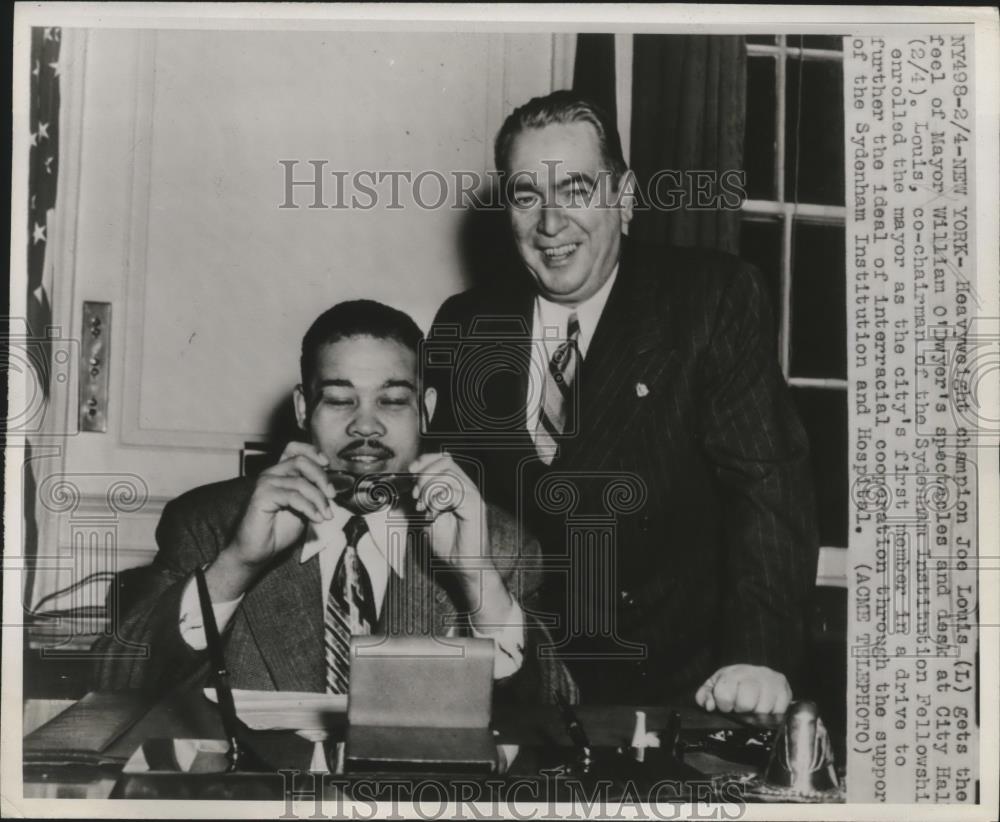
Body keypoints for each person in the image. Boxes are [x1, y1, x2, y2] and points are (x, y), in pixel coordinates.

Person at [426, 90, 819, 713]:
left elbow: (767, 490)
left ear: (626, 197)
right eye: (528, 196)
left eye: (576, 189)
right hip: (517, 681)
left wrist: (759, 656)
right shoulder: (468, 324)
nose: (550, 224)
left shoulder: (709, 301)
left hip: (678, 688)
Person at [95, 300, 574, 704]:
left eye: (391, 400)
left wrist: (476, 579)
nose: (366, 426)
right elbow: (111, 688)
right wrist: (235, 567)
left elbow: (557, 723)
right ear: (304, 408)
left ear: (425, 410)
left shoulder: (498, 542)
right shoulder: (211, 526)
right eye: (341, 400)